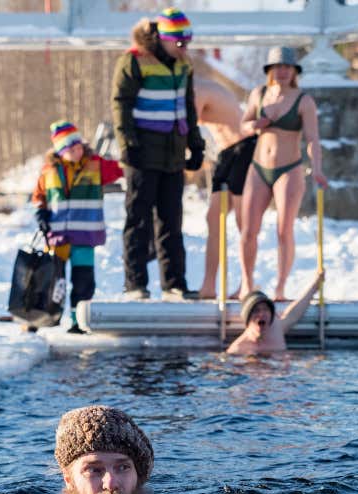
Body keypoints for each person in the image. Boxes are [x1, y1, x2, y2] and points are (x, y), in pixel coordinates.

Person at [111, 7, 204, 301]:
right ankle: (135, 284)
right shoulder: (134, 61)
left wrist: (196, 145)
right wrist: (128, 145)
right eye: (179, 42)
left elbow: (188, 108)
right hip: (142, 153)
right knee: (138, 220)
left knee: (171, 221)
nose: (183, 48)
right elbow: (121, 105)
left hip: (172, 155)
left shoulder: (184, 66)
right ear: (163, 38)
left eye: (186, 42)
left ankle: (174, 284)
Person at [238, 46, 327, 302]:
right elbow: (242, 126)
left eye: (288, 67)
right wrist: (255, 125)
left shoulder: (303, 100)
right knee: (248, 230)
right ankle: (246, 283)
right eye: (278, 66)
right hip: (258, 168)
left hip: (289, 169)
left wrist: (317, 168)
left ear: (294, 71)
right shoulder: (259, 94)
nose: (283, 71)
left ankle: (280, 287)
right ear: (270, 70)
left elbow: (313, 139)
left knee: (283, 230)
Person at [12, 405, 184, 494]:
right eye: (94, 470)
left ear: (138, 475)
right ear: (69, 480)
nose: (110, 483)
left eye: (123, 467)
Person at [30, 120, 124, 333]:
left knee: (83, 282)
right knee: (53, 282)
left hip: (84, 237)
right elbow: (38, 197)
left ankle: (77, 321)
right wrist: (41, 215)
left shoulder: (96, 165)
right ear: (61, 151)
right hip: (57, 237)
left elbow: (120, 169)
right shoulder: (49, 171)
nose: (77, 152)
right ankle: (43, 318)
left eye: (79, 147)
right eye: (71, 149)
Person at [194, 76, 248, 299]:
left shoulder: (198, 88)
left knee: (243, 221)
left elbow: (188, 123)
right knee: (213, 218)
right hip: (226, 155)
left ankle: (247, 283)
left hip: (244, 149)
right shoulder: (201, 86)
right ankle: (208, 286)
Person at [225, 268, 324, 355]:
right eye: (256, 311)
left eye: (265, 309)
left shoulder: (276, 328)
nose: (261, 314)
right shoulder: (238, 349)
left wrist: (316, 285)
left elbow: (296, 311)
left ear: (272, 314)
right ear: (247, 318)